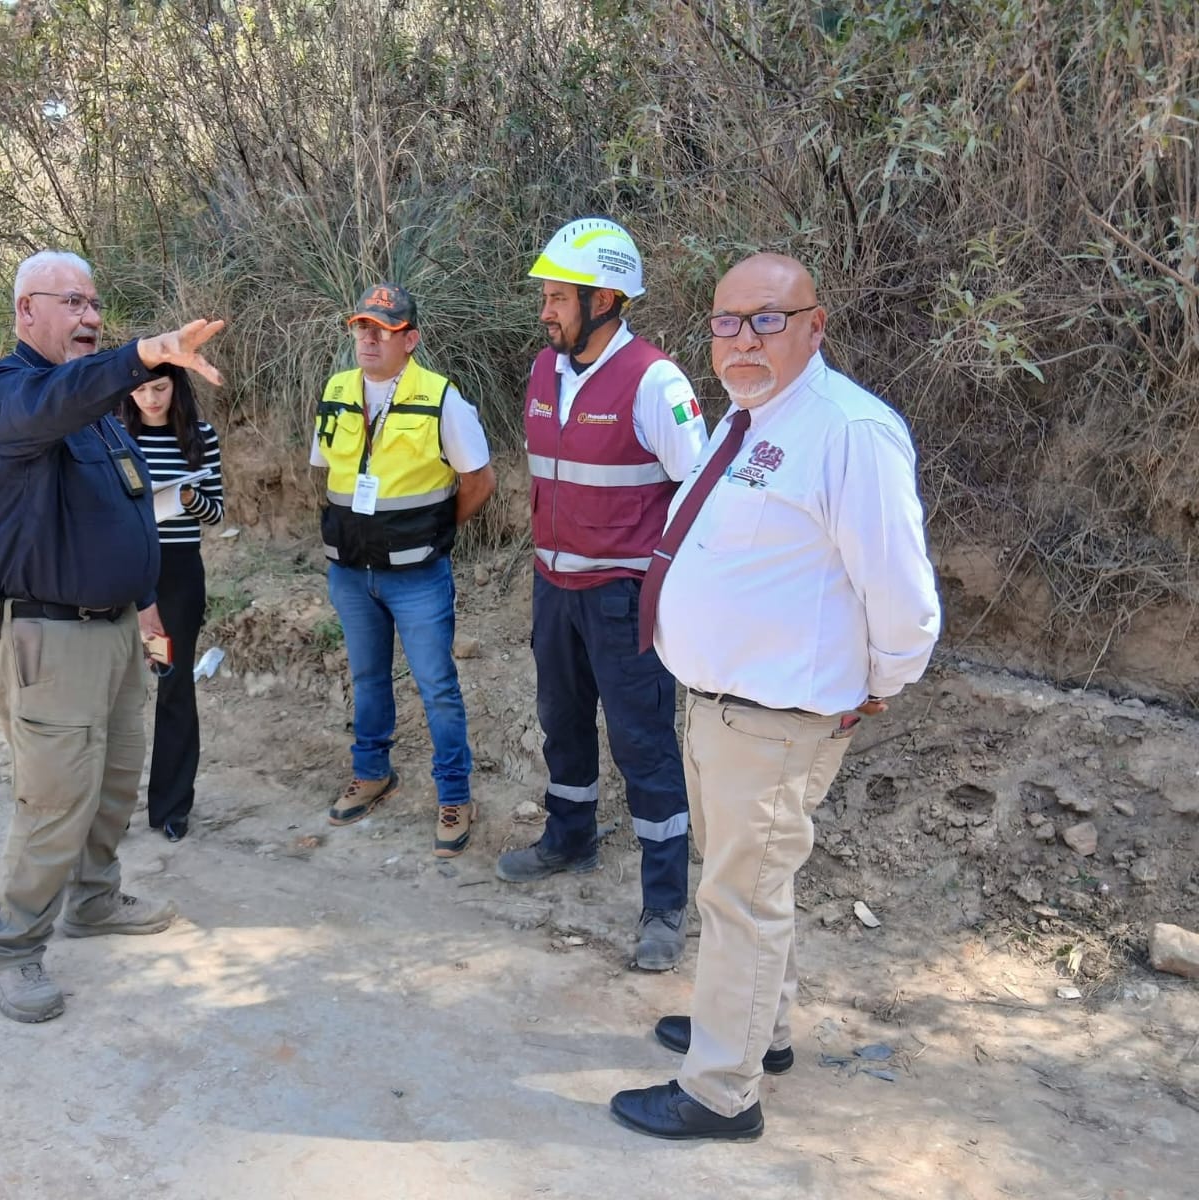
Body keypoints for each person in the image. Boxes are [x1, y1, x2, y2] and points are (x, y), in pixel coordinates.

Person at [609, 252, 941, 1140]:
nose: (743, 339)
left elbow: (903, 598)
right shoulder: (747, 419)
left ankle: (722, 1090)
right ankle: (761, 1030)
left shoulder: (848, 431)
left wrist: (877, 683)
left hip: (775, 722)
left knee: (742, 900)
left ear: (815, 325)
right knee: (741, 886)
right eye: (727, 322)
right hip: (719, 709)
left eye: (768, 319)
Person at [0, 248, 224, 1023]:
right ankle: (13, 950)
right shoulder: (4, 395)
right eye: (70, 302)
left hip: (115, 629)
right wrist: (142, 354)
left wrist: (145, 606)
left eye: (95, 303)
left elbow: (130, 509)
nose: (90, 316)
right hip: (46, 634)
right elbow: (56, 401)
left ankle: (95, 899)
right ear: (25, 312)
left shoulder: (96, 420)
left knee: (113, 780)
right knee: (55, 797)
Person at [495, 218, 708, 970]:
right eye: (547, 295)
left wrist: (666, 588)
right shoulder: (543, 371)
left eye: (559, 297)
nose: (546, 310)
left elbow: (700, 490)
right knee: (562, 723)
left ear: (608, 298)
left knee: (644, 746)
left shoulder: (656, 382)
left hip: (622, 597)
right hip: (554, 588)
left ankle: (664, 906)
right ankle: (569, 838)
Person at [311, 283, 497, 856]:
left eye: (383, 329)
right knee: (366, 678)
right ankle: (372, 773)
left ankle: (454, 796)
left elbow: (480, 481)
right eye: (362, 327)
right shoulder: (338, 390)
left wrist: (436, 532)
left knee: (437, 688)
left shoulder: (442, 398)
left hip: (416, 575)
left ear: (409, 339)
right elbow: (323, 472)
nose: (368, 338)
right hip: (349, 571)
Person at [123, 364, 225, 843]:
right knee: (118, 687)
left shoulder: (200, 436)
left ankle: (171, 806)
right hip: (126, 574)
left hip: (178, 579)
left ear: (176, 386)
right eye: (141, 390)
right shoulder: (117, 436)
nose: (151, 399)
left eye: (160, 388)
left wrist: (188, 496)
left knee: (172, 682)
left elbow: (217, 510)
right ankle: (109, 807)